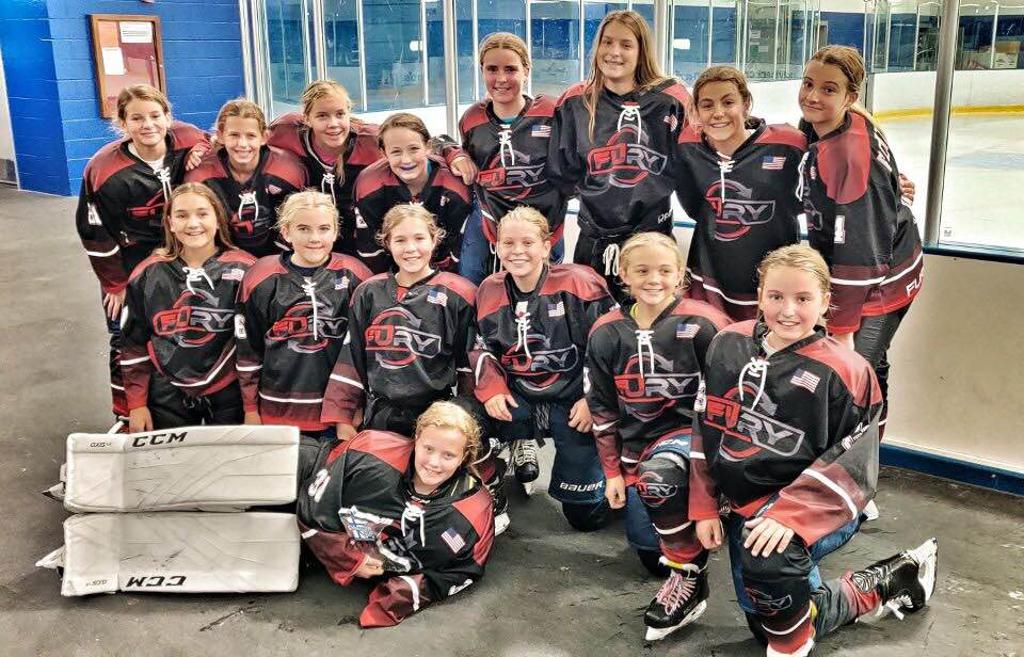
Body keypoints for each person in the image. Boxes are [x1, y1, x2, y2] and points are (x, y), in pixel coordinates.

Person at [691, 244, 937, 657]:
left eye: (803, 298)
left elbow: (854, 466)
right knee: (770, 619)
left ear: (825, 302)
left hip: (816, 506)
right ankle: (887, 580)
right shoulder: (726, 344)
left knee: (772, 576)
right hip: (744, 503)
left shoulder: (849, 371)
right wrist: (702, 505)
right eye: (776, 296)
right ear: (760, 296)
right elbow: (705, 425)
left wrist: (789, 515)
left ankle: (800, 632)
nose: (788, 310)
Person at [320, 204, 505, 530]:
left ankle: (488, 485)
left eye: (419, 238)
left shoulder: (459, 292)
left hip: (437, 409)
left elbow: (471, 359)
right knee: (385, 489)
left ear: (434, 240)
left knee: (446, 476)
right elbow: (352, 357)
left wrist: (465, 419)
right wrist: (343, 416)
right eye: (401, 240)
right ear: (386, 243)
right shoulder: (369, 292)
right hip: (383, 412)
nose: (411, 248)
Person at [585, 232, 731, 640]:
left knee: (660, 481)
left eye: (665, 270)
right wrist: (611, 472)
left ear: (680, 274)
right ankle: (682, 524)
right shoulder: (606, 332)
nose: (654, 279)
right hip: (639, 449)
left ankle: (689, 575)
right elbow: (602, 408)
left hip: (693, 439)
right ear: (623, 274)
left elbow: (726, 400)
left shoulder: (705, 323)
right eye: (643, 270)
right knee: (650, 554)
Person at [797, 46, 923, 428]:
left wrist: (842, 329)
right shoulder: (828, 125)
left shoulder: (848, 155)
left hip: (881, 284)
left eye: (829, 89)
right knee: (870, 369)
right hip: (884, 262)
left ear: (850, 96)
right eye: (808, 83)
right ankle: (868, 450)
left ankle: (857, 456)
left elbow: (860, 257)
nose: (813, 95)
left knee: (852, 377)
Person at [472, 207, 616, 530]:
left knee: (585, 519)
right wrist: (492, 388)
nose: (517, 251)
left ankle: (617, 481)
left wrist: (594, 399)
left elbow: (611, 347)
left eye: (527, 242)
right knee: (463, 419)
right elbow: (480, 348)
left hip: (574, 401)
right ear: (497, 246)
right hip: (518, 397)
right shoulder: (489, 289)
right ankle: (490, 480)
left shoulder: (580, 283)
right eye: (508, 243)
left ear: (546, 246)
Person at [298, 400, 495, 628]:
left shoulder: (474, 511)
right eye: (428, 449)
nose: (434, 463)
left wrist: (396, 595)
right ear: (416, 438)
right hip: (308, 479)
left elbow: (463, 571)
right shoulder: (371, 452)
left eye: (448, 455)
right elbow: (313, 502)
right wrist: (350, 559)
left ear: (465, 455)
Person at [75, 84, 207, 418]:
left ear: (168, 116)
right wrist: (115, 284)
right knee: (125, 334)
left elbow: (212, 140)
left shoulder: (187, 138)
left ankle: (191, 406)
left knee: (187, 328)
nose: (148, 125)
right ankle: (126, 412)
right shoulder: (103, 169)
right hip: (133, 263)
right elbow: (93, 230)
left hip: (186, 258)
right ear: (122, 123)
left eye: (155, 115)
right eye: (136, 118)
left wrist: (202, 147)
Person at [548, 11, 690, 299]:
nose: (614, 52)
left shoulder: (671, 101)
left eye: (626, 45)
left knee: (649, 321)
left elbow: (692, 165)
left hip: (652, 243)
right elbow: (562, 171)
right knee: (593, 320)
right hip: (593, 241)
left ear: (641, 51)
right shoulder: (576, 102)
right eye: (607, 42)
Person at [435, 32, 568, 284]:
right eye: (492, 69)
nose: (501, 78)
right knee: (473, 288)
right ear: (482, 71)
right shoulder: (472, 119)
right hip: (489, 222)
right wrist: (454, 154)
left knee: (544, 294)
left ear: (526, 70)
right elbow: (438, 142)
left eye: (511, 69)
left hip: (545, 225)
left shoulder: (551, 112)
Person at [120, 183, 255, 431]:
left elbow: (256, 347)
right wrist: (136, 403)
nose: (193, 224)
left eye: (202, 214)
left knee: (229, 455)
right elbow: (132, 342)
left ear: (218, 219)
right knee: (171, 455)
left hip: (230, 388)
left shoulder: (247, 270)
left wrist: (252, 406)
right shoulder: (148, 273)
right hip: (167, 387)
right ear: (170, 223)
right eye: (182, 216)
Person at [235, 190, 372, 435]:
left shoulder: (356, 274)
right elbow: (248, 350)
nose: (314, 238)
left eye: (323, 228)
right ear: (286, 231)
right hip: (276, 411)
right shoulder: (260, 276)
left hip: (337, 416)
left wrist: (356, 405)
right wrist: (250, 409)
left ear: (336, 231)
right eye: (303, 229)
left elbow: (365, 352)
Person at [675, 66, 805, 321]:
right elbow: (693, 206)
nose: (718, 113)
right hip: (709, 280)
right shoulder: (688, 148)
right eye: (707, 105)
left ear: (746, 104)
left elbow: (809, 198)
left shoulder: (787, 145)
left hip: (773, 283)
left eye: (728, 102)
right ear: (697, 111)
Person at [265, 80, 381, 254]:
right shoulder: (284, 132)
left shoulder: (372, 141)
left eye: (340, 114)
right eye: (322, 116)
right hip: (308, 236)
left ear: (349, 113)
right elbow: (248, 142)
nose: (333, 124)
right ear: (307, 118)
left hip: (357, 237)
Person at [185, 99, 307, 257]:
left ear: (264, 137)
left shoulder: (288, 169)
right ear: (220, 136)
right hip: (222, 258)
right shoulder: (201, 174)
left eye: (251, 136)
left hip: (278, 256)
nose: (242, 144)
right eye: (234, 135)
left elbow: (302, 221)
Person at [353, 112, 472, 274]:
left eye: (414, 149)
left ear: (428, 147)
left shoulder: (454, 186)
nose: (406, 160)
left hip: (443, 272)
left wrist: (442, 281)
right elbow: (370, 250)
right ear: (383, 152)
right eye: (396, 152)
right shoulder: (368, 185)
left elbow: (460, 250)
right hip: (395, 270)